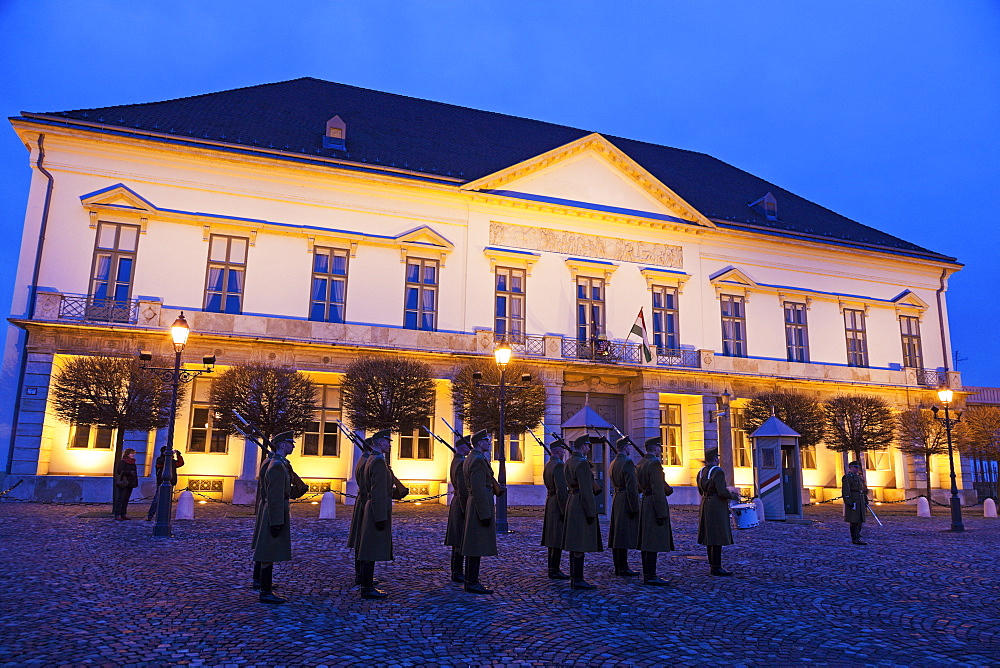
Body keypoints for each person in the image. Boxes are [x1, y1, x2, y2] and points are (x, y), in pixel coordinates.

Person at [356, 430, 408, 599]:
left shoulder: (373, 459)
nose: (390, 444)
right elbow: (377, 491)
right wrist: (380, 517)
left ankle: (366, 583)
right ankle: (367, 586)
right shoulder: (377, 462)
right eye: (387, 442)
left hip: (374, 505)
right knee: (371, 547)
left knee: (368, 546)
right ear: (379, 443)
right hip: (376, 508)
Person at [252, 433, 296, 604]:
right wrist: (276, 521)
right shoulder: (277, 465)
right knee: (268, 549)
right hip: (274, 510)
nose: (293, 446)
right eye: (290, 444)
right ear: (283, 445)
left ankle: (262, 583)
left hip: (269, 509)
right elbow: (275, 496)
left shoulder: (274, 462)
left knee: (265, 548)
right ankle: (266, 591)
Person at [461, 429, 504, 594]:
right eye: (487, 440)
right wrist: (485, 513)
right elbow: (479, 488)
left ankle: (471, 580)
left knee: (474, 543)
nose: (489, 443)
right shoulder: (478, 460)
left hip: (475, 503)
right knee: (475, 544)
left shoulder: (472, 458)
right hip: (479, 505)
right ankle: (472, 581)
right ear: (480, 442)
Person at [562, 435, 603, 589]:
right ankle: (578, 579)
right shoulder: (582, 463)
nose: (590, 448)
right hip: (580, 502)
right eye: (588, 445)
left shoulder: (569, 462)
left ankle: (575, 577)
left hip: (572, 501)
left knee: (574, 543)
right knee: (579, 542)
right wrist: (592, 512)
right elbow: (586, 490)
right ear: (583, 446)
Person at [636, 436, 674, 586]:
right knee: (652, 541)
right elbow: (658, 490)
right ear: (654, 447)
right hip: (653, 503)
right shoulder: (654, 464)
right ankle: (651, 575)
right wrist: (661, 512)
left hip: (645, 501)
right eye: (659, 446)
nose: (661, 449)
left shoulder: (641, 463)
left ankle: (648, 573)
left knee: (646, 540)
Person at [696, 448, 740, 576]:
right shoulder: (718, 471)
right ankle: (716, 567)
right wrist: (732, 496)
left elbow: (700, 490)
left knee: (709, 536)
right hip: (716, 504)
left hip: (705, 503)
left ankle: (713, 565)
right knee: (717, 535)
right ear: (715, 458)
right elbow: (721, 491)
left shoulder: (701, 472)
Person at [607, 437, 640, 577]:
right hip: (626, 499)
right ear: (625, 448)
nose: (629, 449)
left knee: (617, 534)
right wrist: (635, 507)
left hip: (617, 498)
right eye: (628, 446)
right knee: (623, 534)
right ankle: (623, 566)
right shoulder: (627, 462)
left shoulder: (614, 462)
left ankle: (618, 565)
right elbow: (632, 487)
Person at [541, 436, 570, 580]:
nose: (564, 452)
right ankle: (554, 569)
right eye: (563, 449)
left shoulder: (549, 464)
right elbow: (561, 490)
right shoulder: (558, 465)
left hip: (550, 501)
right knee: (556, 537)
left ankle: (552, 567)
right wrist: (565, 509)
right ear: (558, 451)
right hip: (557, 503)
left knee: (552, 537)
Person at [444, 435, 472, 583]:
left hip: (457, 502)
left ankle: (457, 571)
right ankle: (457, 572)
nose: (470, 449)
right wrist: (465, 508)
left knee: (458, 539)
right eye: (468, 446)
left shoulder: (457, 460)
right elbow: (462, 488)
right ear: (462, 448)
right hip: (461, 503)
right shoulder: (461, 463)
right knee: (460, 539)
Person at [347, 439, 373, 585]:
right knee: (363, 539)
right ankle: (361, 575)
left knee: (361, 539)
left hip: (362, 500)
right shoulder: (366, 462)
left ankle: (361, 574)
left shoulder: (363, 459)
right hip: (365, 502)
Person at [146, 447, 184, 521]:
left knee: (168, 500)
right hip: (161, 482)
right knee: (157, 500)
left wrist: (178, 455)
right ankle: (150, 515)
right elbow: (162, 464)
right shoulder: (160, 459)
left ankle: (165, 516)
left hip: (171, 481)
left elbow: (180, 463)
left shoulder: (172, 461)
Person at [842, 460, 869, 545]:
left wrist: (865, 500)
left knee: (860, 519)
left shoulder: (859, 477)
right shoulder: (847, 477)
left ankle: (858, 535)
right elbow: (846, 490)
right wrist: (848, 501)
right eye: (855, 467)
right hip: (854, 500)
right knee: (854, 520)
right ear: (850, 468)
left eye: (858, 468)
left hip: (860, 500)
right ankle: (855, 538)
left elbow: (862, 490)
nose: (857, 469)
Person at [112, 448, 139, 520]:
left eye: (133, 453)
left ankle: (123, 513)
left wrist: (135, 482)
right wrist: (129, 472)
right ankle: (118, 514)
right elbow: (119, 471)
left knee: (126, 499)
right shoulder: (123, 462)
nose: (133, 455)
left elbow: (135, 474)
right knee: (121, 499)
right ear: (127, 454)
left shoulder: (133, 462)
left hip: (130, 483)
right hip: (124, 482)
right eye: (131, 453)